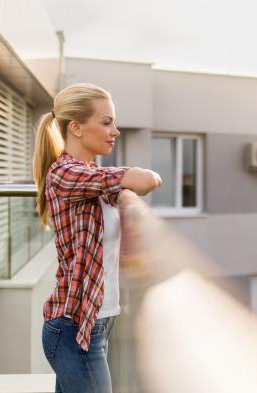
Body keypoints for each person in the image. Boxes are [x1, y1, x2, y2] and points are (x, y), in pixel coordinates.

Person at [32, 83, 162, 393]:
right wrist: (124, 184)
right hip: (73, 329)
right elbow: (146, 180)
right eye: (106, 122)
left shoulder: (90, 176)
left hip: (98, 324)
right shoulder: (66, 174)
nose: (115, 131)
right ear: (76, 127)